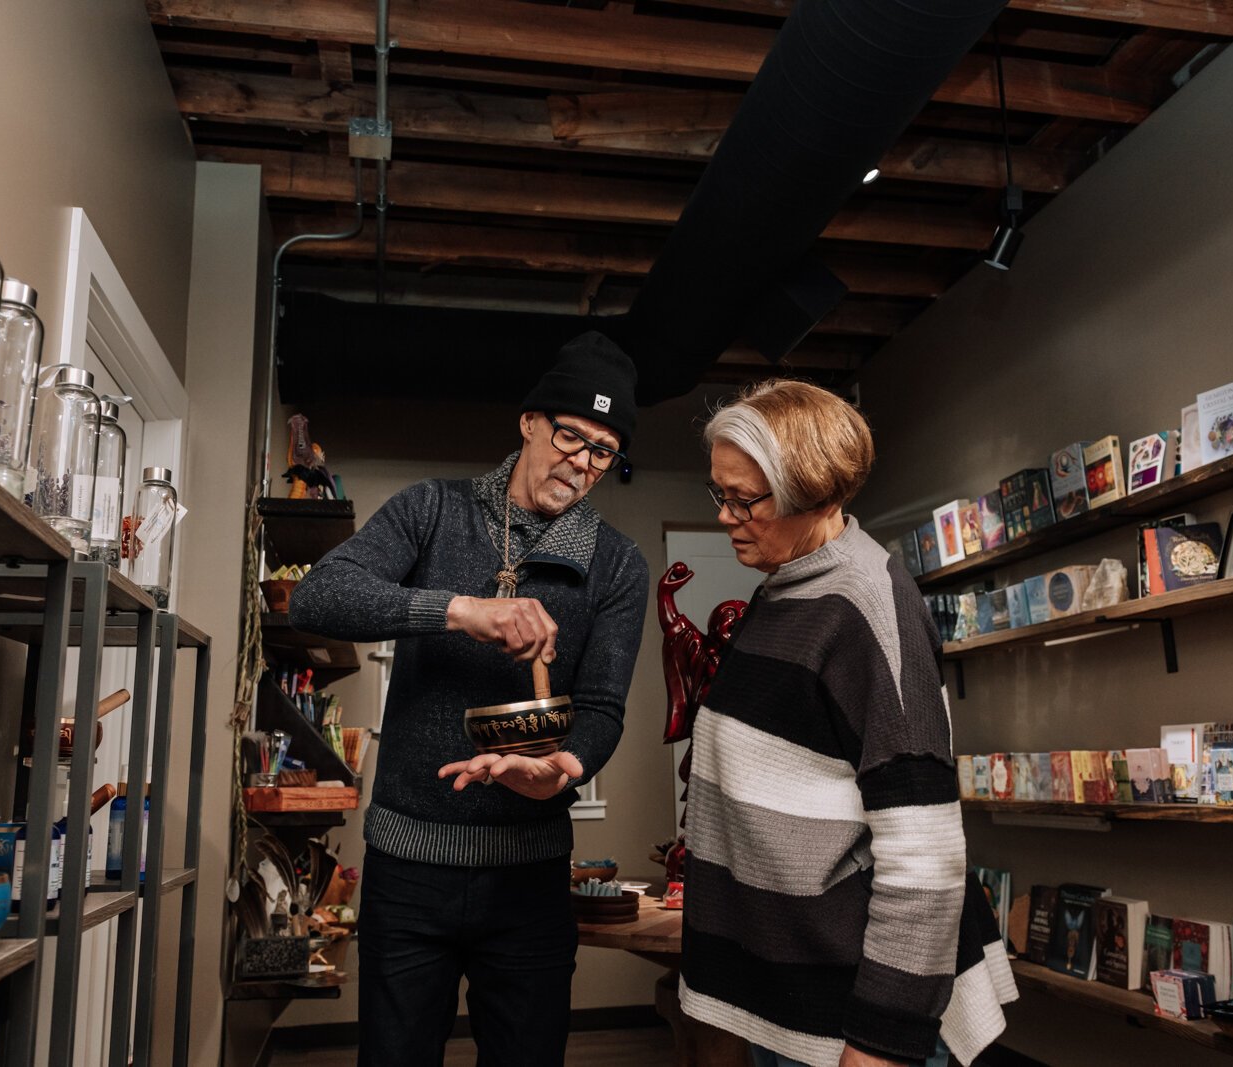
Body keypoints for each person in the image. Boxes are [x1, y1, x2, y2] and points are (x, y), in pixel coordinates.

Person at [287, 331, 650, 1066]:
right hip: (408, 868)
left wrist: (566, 768)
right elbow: (319, 596)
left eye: (602, 452)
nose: (580, 463)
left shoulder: (618, 564)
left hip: (530, 883)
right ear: (529, 422)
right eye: (569, 435)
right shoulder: (432, 510)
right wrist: (460, 610)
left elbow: (605, 707)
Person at [679, 379, 1015, 1067]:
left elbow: (925, 857)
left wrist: (878, 1045)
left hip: (851, 1022)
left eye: (746, 498)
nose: (727, 515)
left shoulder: (866, 607)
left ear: (814, 492)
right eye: (721, 493)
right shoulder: (787, 585)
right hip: (788, 998)